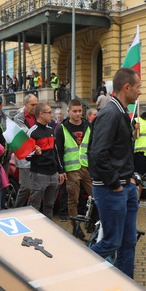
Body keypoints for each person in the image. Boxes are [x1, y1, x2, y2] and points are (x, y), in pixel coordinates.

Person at [87, 67, 142, 278]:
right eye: (138, 87)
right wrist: (116, 185)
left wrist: (129, 179)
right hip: (111, 189)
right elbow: (97, 155)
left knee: (128, 242)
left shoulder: (120, 112)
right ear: (126, 87)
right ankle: (75, 270)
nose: (140, 92)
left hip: (124, 187)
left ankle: (126, 284)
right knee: (112, 242)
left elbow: (119, 152)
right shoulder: (110, 113)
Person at [56, 98, 92, 236]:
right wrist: (61, 170)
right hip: (71, 170)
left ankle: (91, 223)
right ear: (69, 111)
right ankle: (75, 226)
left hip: (87, 167)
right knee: (73, 199)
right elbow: (58, 151)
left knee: (95, 196)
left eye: (80, 111)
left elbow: (93, 147)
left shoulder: (88, 126)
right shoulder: (62, 128)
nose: (78, 114)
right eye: (75, 111)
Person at [26, 102, 64, 218]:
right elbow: (26, 155)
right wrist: (35, 152)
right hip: (39, 174)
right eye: (49, 113)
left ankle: (49, 229)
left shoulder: (50, 130)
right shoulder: (32, 132)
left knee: (50, 205)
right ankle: (32, 230)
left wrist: (61, 171)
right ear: (41, 114)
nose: (52, 115)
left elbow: (56, 152)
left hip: (53, 174)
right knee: (34, 206)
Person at [9, 93, 39, 207]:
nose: (35, 107)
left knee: (36, 187)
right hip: (24, 157)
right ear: (25, 104)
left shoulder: (38, 116)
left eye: (37, 104)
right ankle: (17, 208)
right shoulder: (18, 118)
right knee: (25, 187)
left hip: (37, 156)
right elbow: (27, 134)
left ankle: (31, 208)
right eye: (32, 104)